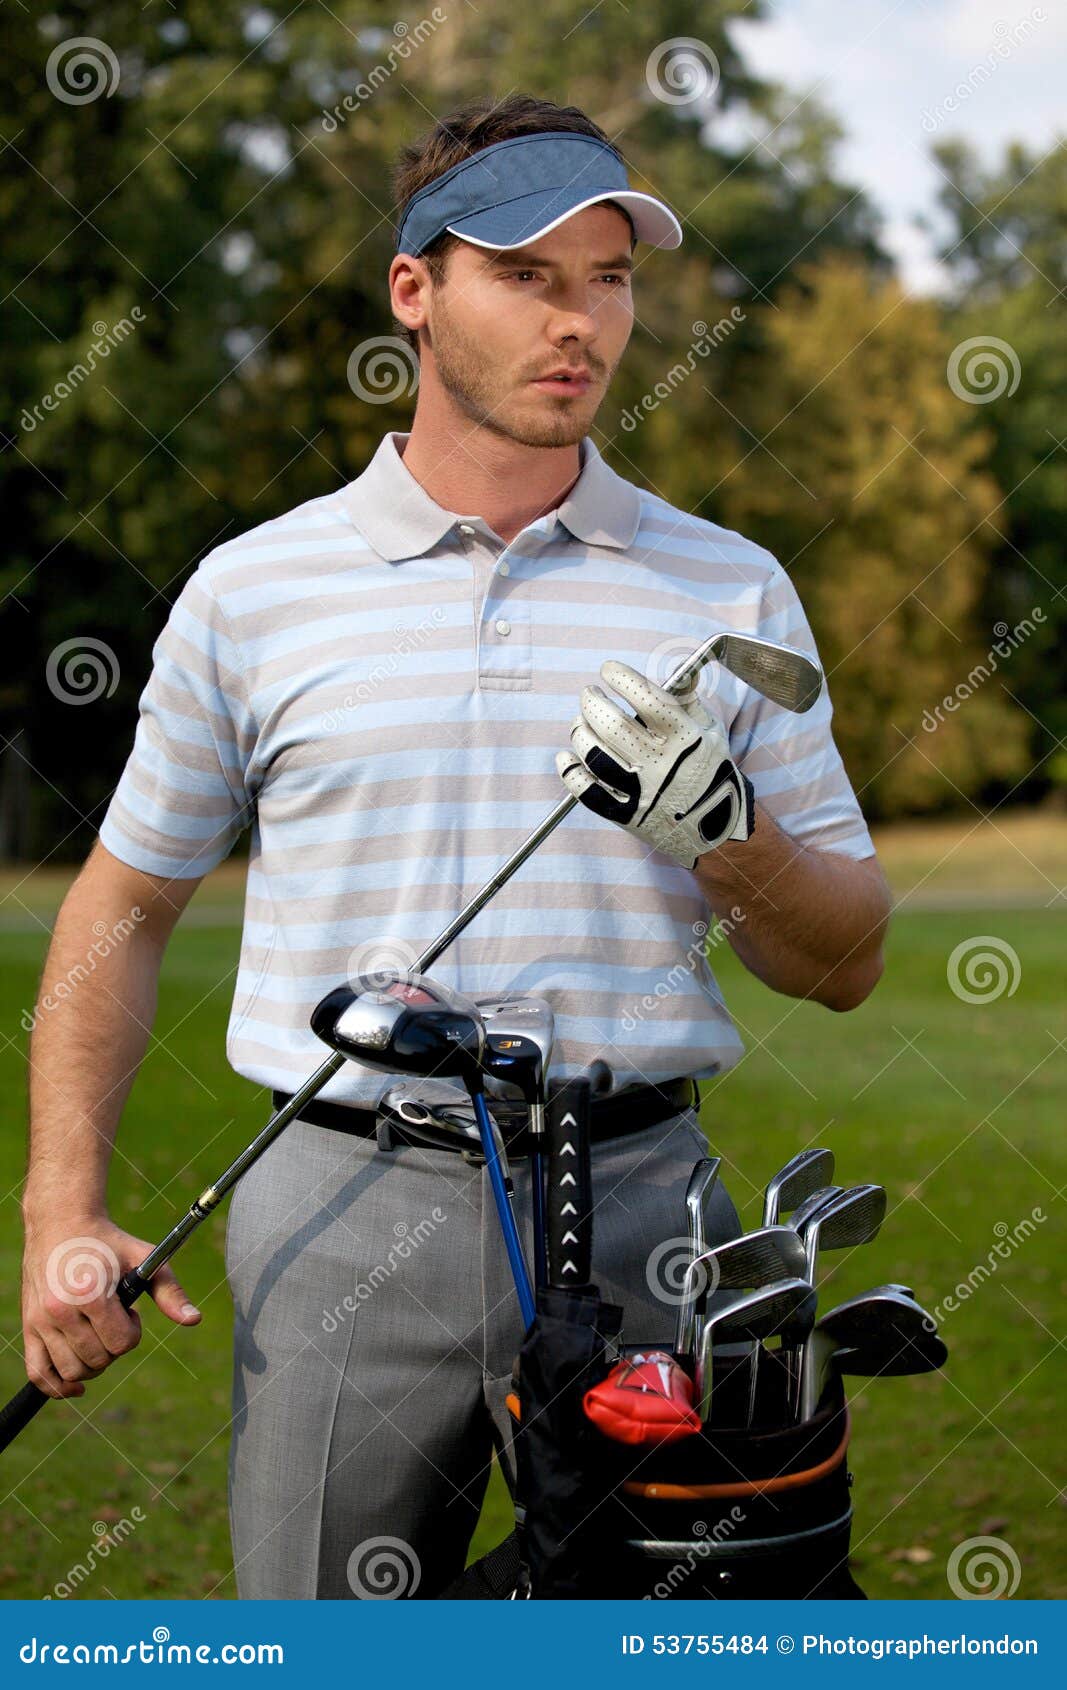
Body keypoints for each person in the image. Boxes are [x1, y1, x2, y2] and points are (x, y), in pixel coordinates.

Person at [19, 94, 890, 1599]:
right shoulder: (257, 589)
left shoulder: (728, 586)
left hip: (645, 1209)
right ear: (414, 292)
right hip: (344, 1199)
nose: (584, 323)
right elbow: (125, 901)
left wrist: (723, 835)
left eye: (609, 279)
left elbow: (848, 958)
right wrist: (59, 1207)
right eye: (528, 274)